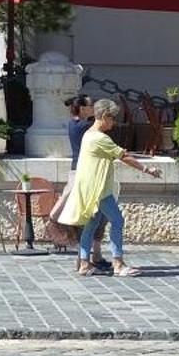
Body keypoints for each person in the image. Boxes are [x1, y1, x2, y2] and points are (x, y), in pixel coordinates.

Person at [61, 99, 160, 277]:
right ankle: (118, 263)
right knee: (117, 220)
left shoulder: (89, 134)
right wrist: (148, 170)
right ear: (105, 117)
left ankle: (85, 264)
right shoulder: (100, 138)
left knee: (91, 225)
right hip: (99, 190)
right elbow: (124, 156)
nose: (113, 122)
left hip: (91, 189)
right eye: (112, 118)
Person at [64, 96, 107, 269]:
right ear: (82, 109)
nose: (92, 108)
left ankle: (92, 255)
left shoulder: (72, 124)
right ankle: (85, 259)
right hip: (84, 173)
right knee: (91, 216)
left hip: (76, 171)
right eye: (90, 106)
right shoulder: (85, 126)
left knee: (92, 216)